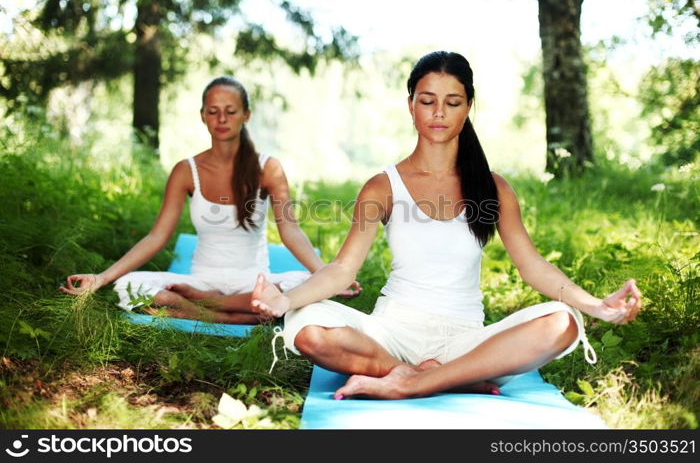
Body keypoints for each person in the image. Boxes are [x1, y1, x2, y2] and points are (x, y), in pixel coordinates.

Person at [250, 51, 642, 398]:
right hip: (392, 335)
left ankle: (412, 383)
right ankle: (433, 377)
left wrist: (595, 306)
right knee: (307, 329)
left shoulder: (493, 188)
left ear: (468, 106)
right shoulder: (383, 186)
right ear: (411, 106)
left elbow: (532, 266)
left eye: (452, 102)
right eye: (427, 101)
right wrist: (285, 301)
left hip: (467, 341)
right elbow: (340, 270)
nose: (439, 113)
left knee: (561, 323)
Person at [60, 76, 360, 323]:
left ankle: (200, 309)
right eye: (213, 111)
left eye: (230, 111)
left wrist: (327, 275)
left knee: (299, 286)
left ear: (246, 115)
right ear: (203, 115)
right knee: (127, 285)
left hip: (254, 281)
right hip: (201, 282)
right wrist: (101, 278)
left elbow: (290, 230)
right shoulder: (186, 171)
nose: (221, 119)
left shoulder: (268, 168)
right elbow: (156, 237)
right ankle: (238, 313)